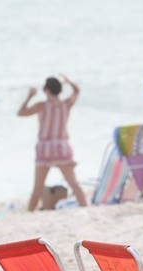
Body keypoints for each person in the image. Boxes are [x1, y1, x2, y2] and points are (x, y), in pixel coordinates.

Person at [17, 75, 88, 212]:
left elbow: (21, 113)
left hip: (45, 149)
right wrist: (69, 81)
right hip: (62, 147)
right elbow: (77, 91)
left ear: (46, 90)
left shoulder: (42, 106)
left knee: (37, 187)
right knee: (74, 184)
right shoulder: (66, 104)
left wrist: (29, 96)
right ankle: (86, 208)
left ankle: (29, 213)